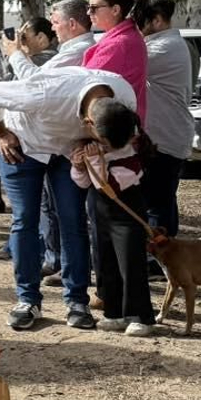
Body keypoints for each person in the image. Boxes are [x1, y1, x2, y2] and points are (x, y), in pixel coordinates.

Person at [0, 63, 136, 331]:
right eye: (103, 143)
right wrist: (1, 133)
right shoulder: (43, 93)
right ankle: (27, 300)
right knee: (25, 219)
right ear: (87, 123)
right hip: (23, 143)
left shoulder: (124, 95)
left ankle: (77, 301)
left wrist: (92, 146)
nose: (105, 151)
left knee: (73, 220)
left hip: (67, 153)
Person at [71, 99, 156, 335]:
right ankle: (114, 312)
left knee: (131, 265)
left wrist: (97, 160)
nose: (102, 146)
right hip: (101, 218)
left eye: (105, 144)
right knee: (105, 263)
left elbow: (106, 186)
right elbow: (84, 182)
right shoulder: (98, 147)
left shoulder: (131, 161)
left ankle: (140, 315)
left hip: (126, 220)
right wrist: (79, 166)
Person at [139, 0, 195, 239]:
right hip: (166, 134)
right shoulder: (166, 44)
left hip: (164, 137)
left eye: (138, 25)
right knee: (162, 201)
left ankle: (158, 258)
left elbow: (123, 64)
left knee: (156, 204)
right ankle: (164, 257)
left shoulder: (163, 47)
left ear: (157, 20)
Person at [82, 0, 150, 118]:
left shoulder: (119, 43)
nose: (89, 12)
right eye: (88, 7)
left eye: (94, 8)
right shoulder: (124, 38)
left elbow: (85, 82)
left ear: (115, 10)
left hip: (116, 127)